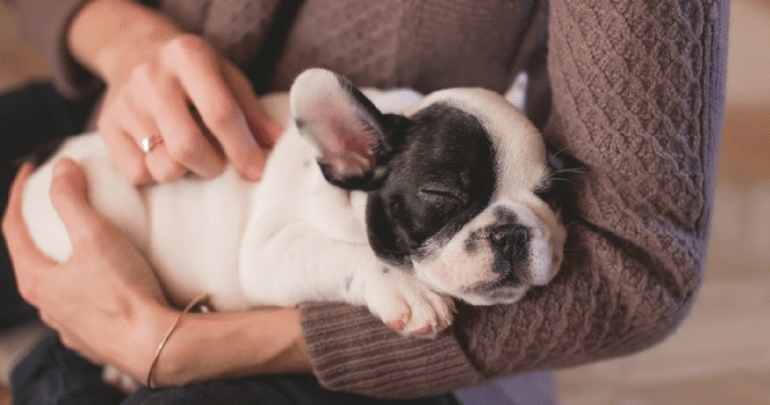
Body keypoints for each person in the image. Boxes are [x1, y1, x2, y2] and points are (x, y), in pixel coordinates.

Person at [0, 0, 729, 404]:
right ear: (348, 156)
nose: (509, 234)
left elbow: (639, 260)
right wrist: (125, 38)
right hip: (128, 136)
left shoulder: (410, 161)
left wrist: (179, 348)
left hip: (264, 298)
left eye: (543, 200)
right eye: (450, 204)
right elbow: (272, 257)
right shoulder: (356, 158)